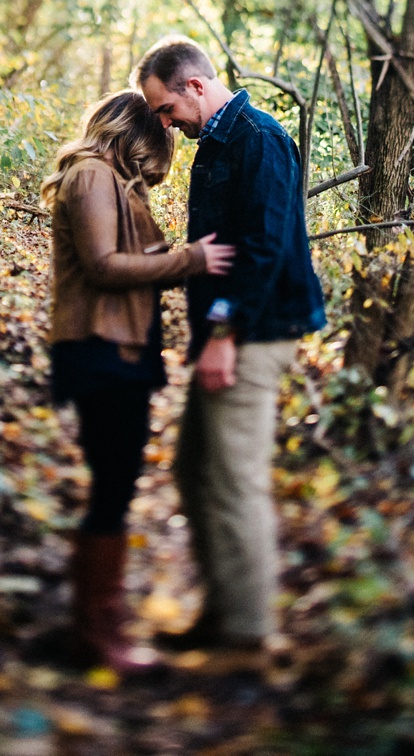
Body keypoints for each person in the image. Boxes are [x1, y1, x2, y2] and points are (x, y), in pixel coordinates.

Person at [134, 36, 325, 655]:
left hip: (254, 333)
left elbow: (263, 249)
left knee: (234, 478)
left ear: (194, 86)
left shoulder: (257, 139)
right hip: (229, 331)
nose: (163, 122)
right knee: (194, 468)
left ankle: (246, 633)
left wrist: (223, 333)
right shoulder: (217, 141)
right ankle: (224, 611)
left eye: (165, 108)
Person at [42, 90, 234, 675]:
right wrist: (190, 261)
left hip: (119, 348)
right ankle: (97, 632)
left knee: (115, 484)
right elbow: (104, 265)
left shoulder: (109, 182)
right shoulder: (93, 176)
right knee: (114, 487)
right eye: (155, 152)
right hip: (100, 350)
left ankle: (94, 622)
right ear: (134, 137)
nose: (154, 170)